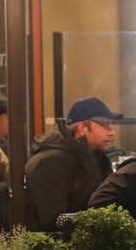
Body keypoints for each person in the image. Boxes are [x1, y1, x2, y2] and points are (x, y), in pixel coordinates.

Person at [24, 96, 122, 231]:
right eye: (105, 125)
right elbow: (54, 220)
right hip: (51, 244)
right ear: (82, 128)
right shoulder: (51, 162)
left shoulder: (96, 156)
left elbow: (108, 201)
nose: (112, 132)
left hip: (82, 238)